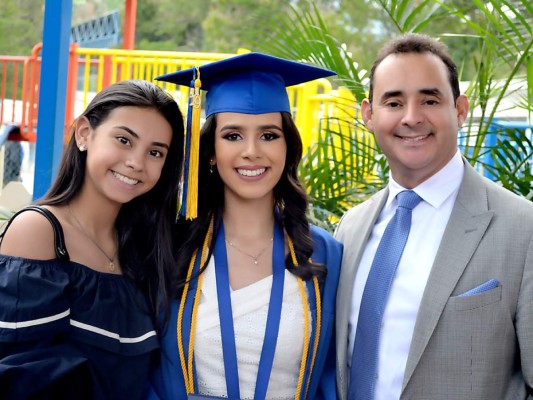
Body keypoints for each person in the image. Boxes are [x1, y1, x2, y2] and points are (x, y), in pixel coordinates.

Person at [334, 32, 533, 400]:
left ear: (459, 110)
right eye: (393, 102)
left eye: (429, 99)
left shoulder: (523, 230)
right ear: (369, 115)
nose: (411, 118)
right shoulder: (350, 228)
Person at [147, 52, 343, 400]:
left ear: (288, 147)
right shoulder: (172, 245)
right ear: (209, 151)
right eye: (233, 136)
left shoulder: (325, 252)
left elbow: (332, 375)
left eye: (269, 135)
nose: (252, 151)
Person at [0, 80, 185, 399]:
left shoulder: (144, 245)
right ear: (84, 134)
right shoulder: (40, 232)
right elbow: (24, 380)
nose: (137, 163)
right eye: (124, 140)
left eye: (155, 152)